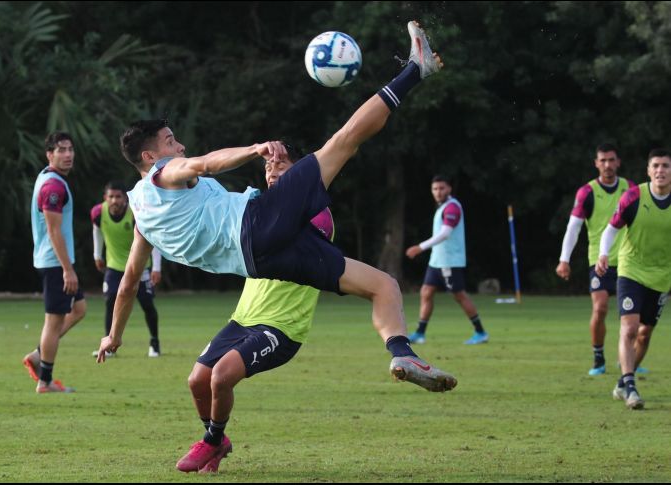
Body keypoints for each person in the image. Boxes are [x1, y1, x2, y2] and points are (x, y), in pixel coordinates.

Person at [99, 21, 456, 394]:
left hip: (261, 261)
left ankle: (401, 352)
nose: (180, 148)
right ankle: (416, 69)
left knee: (383, 286)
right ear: (149, 156)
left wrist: (113, 336)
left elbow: (127, 285)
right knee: (343, 142)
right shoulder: (163, 171)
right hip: (258, 226)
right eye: (171, 142)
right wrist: (253, 150)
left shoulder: (142, 217)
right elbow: (204, 163)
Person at [173, 144, 335, 473]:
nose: (272, 171)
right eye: (267, 167)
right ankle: (216, 440)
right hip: (243, 318)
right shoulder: (260, 207)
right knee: (197, 380)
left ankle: (213, 441)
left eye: (281, 165)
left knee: (221, 376)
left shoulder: (317, 214)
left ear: (302, 170)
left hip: (282, 326)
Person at [597, 148, 671, 410]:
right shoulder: (634, 196)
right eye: (656, 166)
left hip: (662, 276)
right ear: (648, 171)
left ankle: (621, 381)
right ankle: (630, 386)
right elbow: (610, 229)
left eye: (665, 166)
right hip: (631, 270)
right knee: (629, 328)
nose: (660, 171)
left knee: (644, 334)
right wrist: (604, 254)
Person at [556, 144, 637, 375]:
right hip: (598, 261)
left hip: (628, 261)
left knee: (632, 315)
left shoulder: (631, 189)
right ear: (596, 163)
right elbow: (573, 228)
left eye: (611, 160)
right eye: (603, 160)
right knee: (600, 308)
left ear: (618, 162)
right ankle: (598, 357)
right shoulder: (587, 192)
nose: (608, 165)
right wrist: (564, 259)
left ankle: (628, 360)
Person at [22, 132, 86, 393]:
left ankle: (39, 354)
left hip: (56, 260)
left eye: (70, 149)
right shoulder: (53, 186)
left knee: (79, 309)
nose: (68, 154)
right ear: (50, 154)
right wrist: (67, 270)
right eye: (61, 150)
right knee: (54, 321)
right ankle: (45, 381)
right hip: (55, 263)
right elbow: (53, 230)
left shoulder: (50, 178)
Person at [404, 175, 488, 345]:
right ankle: (420, 333)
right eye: (435, 189)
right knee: (426, 292)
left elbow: (445, 233)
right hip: (437, 261)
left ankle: (480, 332)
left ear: (449, 189)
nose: (438, 192)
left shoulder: (452, 208)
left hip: (449, 261)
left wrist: (420, 247)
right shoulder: (442, 207)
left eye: (441, 188)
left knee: (460, 296)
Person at [91, 181, 163, 358]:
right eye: (111, 197)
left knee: (147, 304)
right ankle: (109, 344)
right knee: (110, 303)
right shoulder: (98, 213)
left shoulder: (136, 213)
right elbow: (97, 231)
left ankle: (154, 343)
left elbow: (153, 238)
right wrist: (97, 255)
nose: (114, 200)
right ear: (105, 198)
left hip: (139, 266)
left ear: (125, 198)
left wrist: (156, 267)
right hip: (114, 266)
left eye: (118, 197)